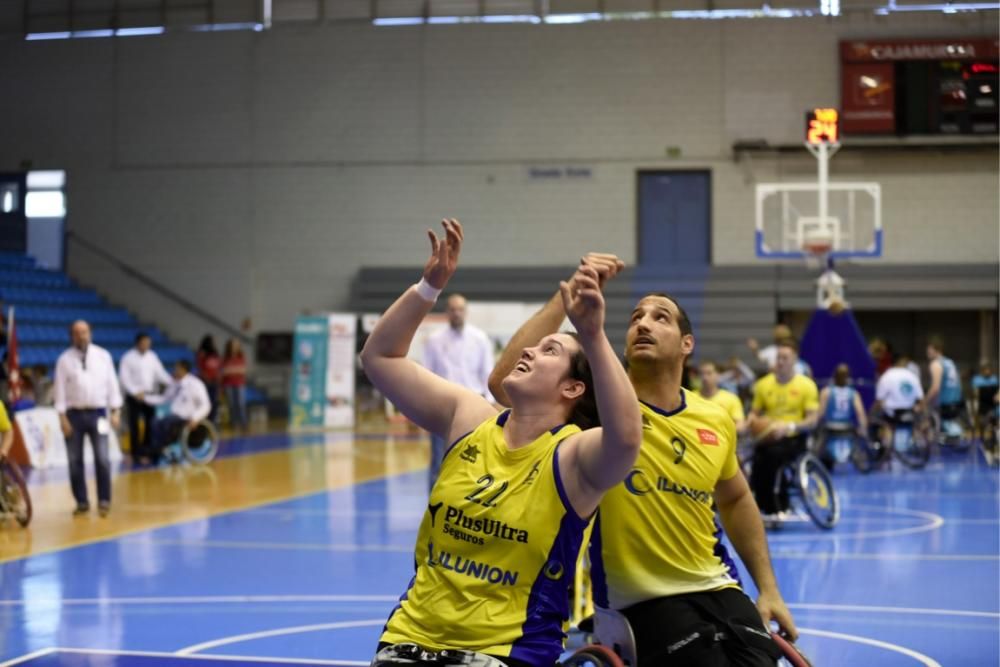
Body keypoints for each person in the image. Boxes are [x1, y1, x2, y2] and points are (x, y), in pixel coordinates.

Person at [489, 254, 795, 666]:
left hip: (719, 587)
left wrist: (769, 589)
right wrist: (569, 299)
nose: (643, 324)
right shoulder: (601, 405)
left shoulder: (714, 417)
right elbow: (504, 383)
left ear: (688, 344)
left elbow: (737, 500)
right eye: (636, 317)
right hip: (640, 602)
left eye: (660, 317)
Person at [361, 221, 641, 667]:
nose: (528, 351)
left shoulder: (573, 456)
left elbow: (627, 438)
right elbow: (379, 358)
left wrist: (591, 333)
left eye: (548, 351)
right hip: (409, 640)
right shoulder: (469, 417)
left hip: (504, 653)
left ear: (572, 389)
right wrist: (428, 287)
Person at [422, 293, 495, 490]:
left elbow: (487, 372)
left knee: (475, 459)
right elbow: (427, 374)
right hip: (442, 407)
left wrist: (489, 405)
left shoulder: (479, 339)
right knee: (439, 460)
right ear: (447, 312)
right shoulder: (434, 340)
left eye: (460, 309)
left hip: (475, 406)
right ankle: (434, 508)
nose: (456, 313)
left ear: (466, 312)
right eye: (453, 309)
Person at [53, 320, 122, 517]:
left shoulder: (103, 356)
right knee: (74, 461)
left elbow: (112, 385)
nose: (81, 335)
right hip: (73, 415)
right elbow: (59, 391)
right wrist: (62, 417)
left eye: (84, 332)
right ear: (71, 335)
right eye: (76, 332)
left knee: (103, 458)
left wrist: (116, 410)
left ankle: (104, 500)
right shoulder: (64, 360)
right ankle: (82, 501)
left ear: (90, 333)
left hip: (99, 413)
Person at [748, 338, 819, 517]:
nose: (780, 361)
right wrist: (751, 421)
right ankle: (760, 505)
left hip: (795, 436)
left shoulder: (806, 385)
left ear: (795, 360)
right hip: (769, 435)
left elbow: (812, 420)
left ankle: (779, 504)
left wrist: (789, 426)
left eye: (785, 358)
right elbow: (754, 413)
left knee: (773, 455)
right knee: (757, 457)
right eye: (778, 357)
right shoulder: (763, 385)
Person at [118, 333, 172, 462]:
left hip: (149, 395)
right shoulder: (128, 358)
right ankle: (135, 453)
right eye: (144, 342)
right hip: (134, 396)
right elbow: (124, 378)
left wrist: (174, 383)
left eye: (148, 343)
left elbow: (161, 374)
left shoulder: (152, 357)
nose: (146, 345)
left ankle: (146, 451)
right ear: (138, 343)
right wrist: (135, 392)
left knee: (150, 423)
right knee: (134, 425)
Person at [146, 359, 212, 462]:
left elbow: (206, 405)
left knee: (167, 423)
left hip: (187, 418)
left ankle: (160, 450)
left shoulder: (196, 384)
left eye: (177, 369)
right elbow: (164, 399)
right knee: (154, 421)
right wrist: (145, 398)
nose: (174, 371)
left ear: (183, 369)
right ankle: (158, 451)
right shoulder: (175, 384)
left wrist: (195, 418)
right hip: (174, 416)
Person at [817, 364, 868, 468]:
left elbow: (820, 413)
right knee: (858, 441)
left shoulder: (826, 392)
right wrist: (863, 429)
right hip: (847, 426)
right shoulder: (853, 393)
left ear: (834, 376)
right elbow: (861, 413)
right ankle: (859, 460)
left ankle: (815, 459)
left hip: (830, 426)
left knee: (818, 444)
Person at [873, 357, 925, 448]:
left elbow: (879, 399)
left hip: (893, 413)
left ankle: (885, 446)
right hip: (910, 411)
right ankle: (919, 442)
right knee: (918, 419)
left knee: (881, 421)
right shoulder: (913, 376)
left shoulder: (888, 375)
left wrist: (872, 412)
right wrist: (919, 410)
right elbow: (921, 399)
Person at [925, 337, 964, 440]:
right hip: (957, 402)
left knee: (925, 412)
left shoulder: (936, 364)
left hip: (945, 404)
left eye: (929, 349)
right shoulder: (950, 362)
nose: (927, 352)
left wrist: (924, 401)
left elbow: (935, 388)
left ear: (937, 349)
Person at [698, 360, 747, 435]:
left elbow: (740, 425)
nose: (705, 377)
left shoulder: (731, 398)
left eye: (709, 373)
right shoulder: (690, 397)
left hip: (722, 442)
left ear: (718, 375)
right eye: (702, 374)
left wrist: (718, 434)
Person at [221, 338, 248, 432]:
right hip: (228, 384)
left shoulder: (241, 357)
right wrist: (235, 370)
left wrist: (231, 370)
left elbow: (243, 370)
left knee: (240, 403)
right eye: (233, 345)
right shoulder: (226, 358)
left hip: (239, 383)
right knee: (232, 404)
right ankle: (234, 423)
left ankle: (244, 423)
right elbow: (224, 371)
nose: (235, 347)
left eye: (237, 345)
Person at [196, 335, 222, 424]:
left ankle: (212, 422)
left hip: (214, 382)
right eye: (212, 342)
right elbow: (201, 368)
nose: (214, 344)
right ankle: (204, 422)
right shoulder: (202, 354)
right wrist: (207, 379)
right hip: (205, 382)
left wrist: (218, 380)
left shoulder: (215, 354)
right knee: (205, 403)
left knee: (214, 403)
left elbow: (218, 368)